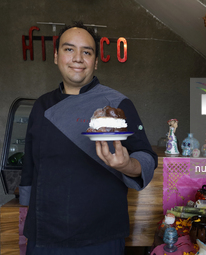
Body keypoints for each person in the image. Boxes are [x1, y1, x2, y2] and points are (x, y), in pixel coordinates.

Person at [19, 21, 157, 255]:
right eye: (69, 49)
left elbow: (146, 156)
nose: (78, 58)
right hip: (45, 233)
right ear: (56, 56)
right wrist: (25, 212)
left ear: (95, 61)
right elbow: (30, 167)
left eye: (87, 52)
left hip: (101, 234)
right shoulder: (41, 105)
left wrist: (127, 165)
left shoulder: (118, 103)